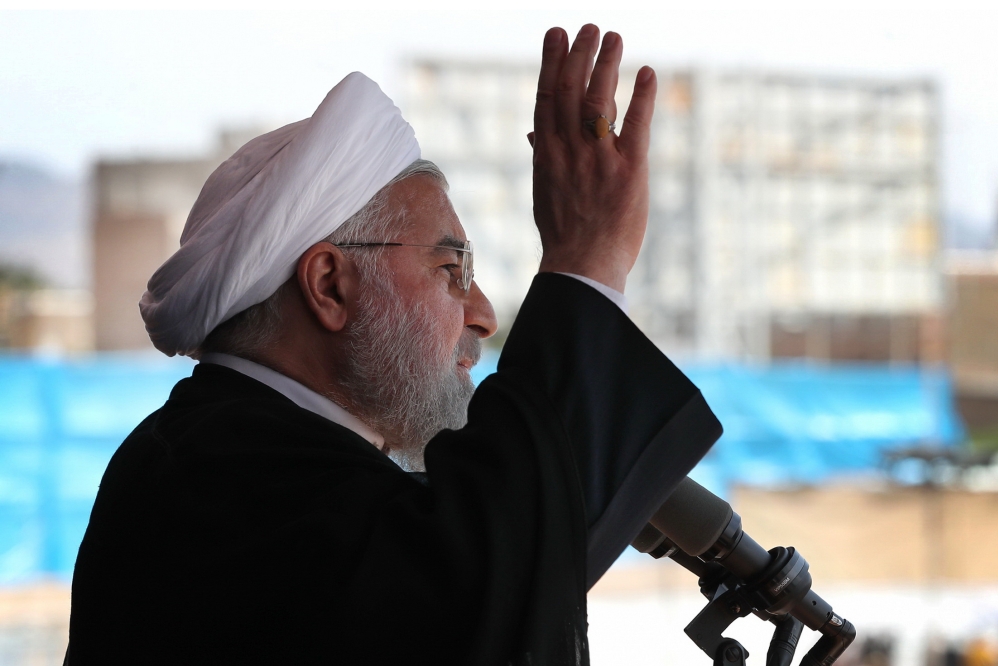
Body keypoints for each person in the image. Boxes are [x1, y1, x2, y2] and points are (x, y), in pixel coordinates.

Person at [65, 24, 722, 665]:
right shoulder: (220, 483)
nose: (483, 314)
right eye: (451, 270)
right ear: (330, 285)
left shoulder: (242, 453)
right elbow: (477, 597)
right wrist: (588, 256)